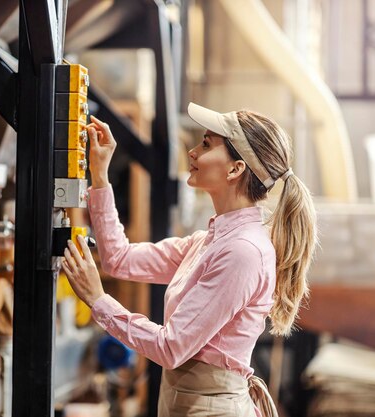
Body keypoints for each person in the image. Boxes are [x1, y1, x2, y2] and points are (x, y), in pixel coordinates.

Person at [61, 104, 317, 417]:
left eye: (207, 144)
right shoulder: (209, 241)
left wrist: (98, 300)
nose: (193, 152)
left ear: (235, 169)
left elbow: (171, 348)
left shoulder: (242, 252)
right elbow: (120, 260)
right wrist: (100, 176)